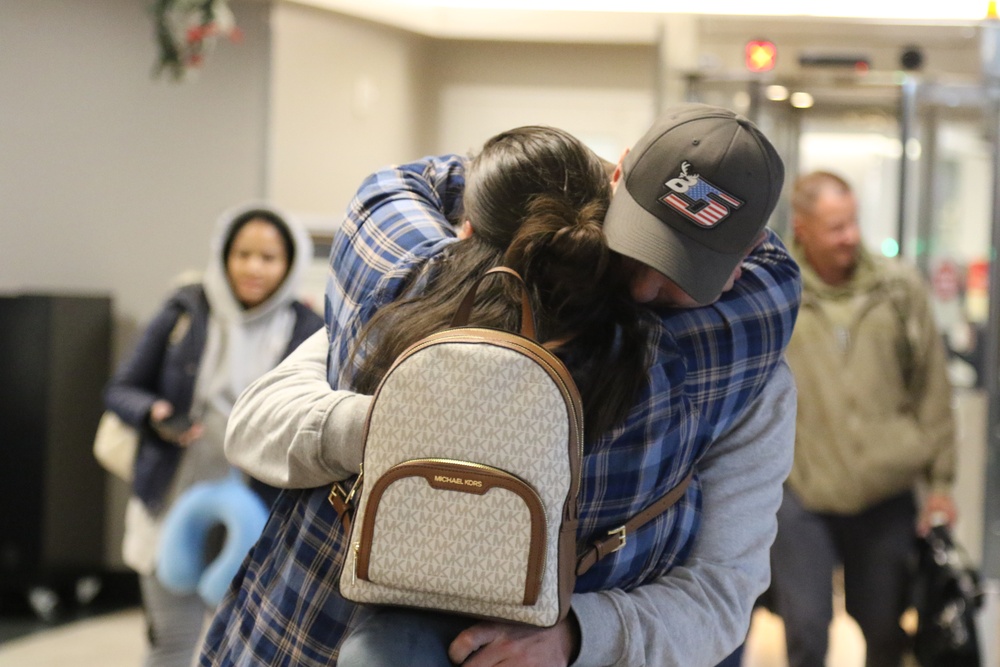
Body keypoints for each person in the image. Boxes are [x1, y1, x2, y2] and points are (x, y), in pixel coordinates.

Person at [200, 106, 800, 666]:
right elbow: (257, 421)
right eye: (638, 247)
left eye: (680, 275)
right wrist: (403, 432)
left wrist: (576, 636)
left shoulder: (746, 380)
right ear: (614, 179)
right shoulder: (438, 295)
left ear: (746, 256)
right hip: (313, 636)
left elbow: (723, 592)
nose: (644, 290)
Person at [103, 204, 324, 667]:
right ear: (223, 256)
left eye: (269, 257)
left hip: (256, 511)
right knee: (171, 641)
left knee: (241, 647)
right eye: (242, 254)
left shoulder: (308, 329)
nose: (253, 268)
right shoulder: (185, 309)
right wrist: (156, 412)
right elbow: (122, 388)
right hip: (171, 499)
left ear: (289, 264)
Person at [769, 170, 958, 667]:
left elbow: (932, 387)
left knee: (884, 629)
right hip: (801, 491)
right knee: (806, 630)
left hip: (884, 492)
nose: (849, 236)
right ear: (803, 228)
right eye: (834, 227)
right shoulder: (778, 290)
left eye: (851, 222)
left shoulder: (896, 290)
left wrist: (940, 484)